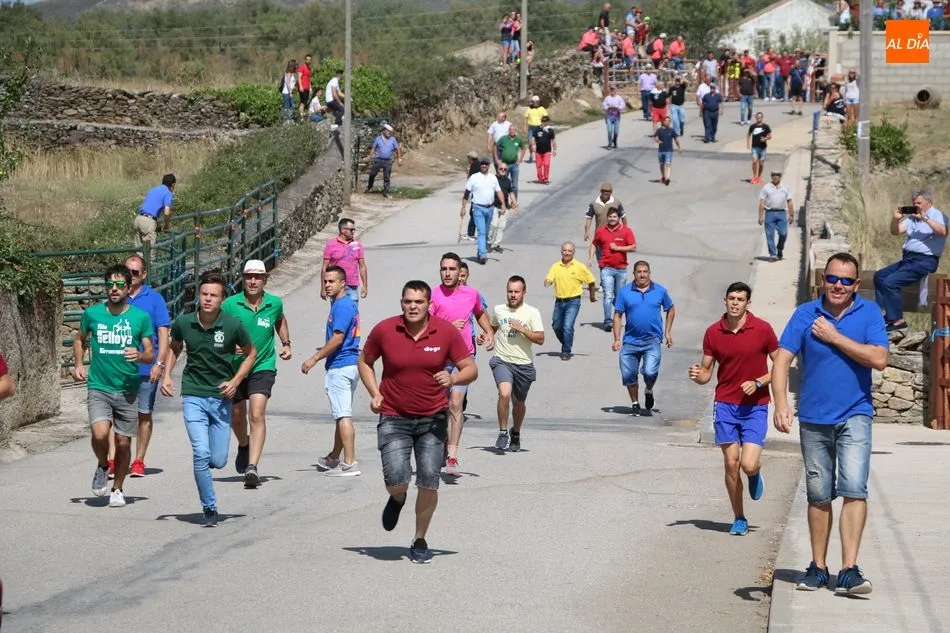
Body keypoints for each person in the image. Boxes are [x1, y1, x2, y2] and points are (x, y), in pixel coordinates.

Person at [771, 252, 889, 594]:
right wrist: (781, 404)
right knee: (819, 495)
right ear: (823, 279)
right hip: (813, 418)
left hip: (856, 414)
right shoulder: (805, 314)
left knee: (854, 488)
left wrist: (834, 336)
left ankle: (849, 570)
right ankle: (818, 567)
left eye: (846, 280)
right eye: (833, 278)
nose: (838, 285)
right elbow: (781, 361)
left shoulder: (869, 313)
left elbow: (880, 358)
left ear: (856, 284)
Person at [358, 280, 477, 564]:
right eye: (408, 301)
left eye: (419, 302)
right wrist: (375, 394)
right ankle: (397, 497)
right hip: (394, 417)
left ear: (428, 305)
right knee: (396, 481)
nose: (413, 306)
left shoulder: (445, 332)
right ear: (402, 303)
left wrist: (453, 377)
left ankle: (420, 538)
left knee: (428, 482)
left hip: (432, 420)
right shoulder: (385, 329)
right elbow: (365, 361)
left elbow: (471, 369)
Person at [161, 273, 256, 528]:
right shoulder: (184, 322)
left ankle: (232, 453)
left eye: (214, 295)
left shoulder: (232, 325)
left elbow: (251, 354)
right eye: (204, 294)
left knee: (218, 460)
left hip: (221, 398)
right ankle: (210, 507)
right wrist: (167, 375)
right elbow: (174, 347)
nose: (208, 299)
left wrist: (235, 381)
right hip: (193, 394)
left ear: (222, 299)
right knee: (201, 453)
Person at [689, 282, 778, 536]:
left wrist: (759, 382)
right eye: (731, 298)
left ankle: (754, 473)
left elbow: (781, 365)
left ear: (748, 303)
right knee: (731, 463)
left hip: (755, 406)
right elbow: (707, 372)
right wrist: (698, 375)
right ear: (725, 301)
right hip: (725, 404)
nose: (735, 303)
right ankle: (739, 517)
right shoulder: (713, 332)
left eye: (740, 299)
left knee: (747, 464)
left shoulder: (763, 329)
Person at [72, 264, 155, 508]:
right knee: (99, 434)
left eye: (119, 285)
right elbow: (80, 339)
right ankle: (102, 464)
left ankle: (118, 488)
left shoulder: (139, 317)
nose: (114, 289)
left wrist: (140, 356)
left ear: (129, 288)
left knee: (123, 442)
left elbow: (150, 353)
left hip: (128, 389)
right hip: (99, 386)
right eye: (110, 285)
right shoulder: (93, 314)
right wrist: (79, 364)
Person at [221, 260, 292, 488]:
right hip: (235, 369)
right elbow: (216, 331)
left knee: (257, 414)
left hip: (263, 365)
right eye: (249, 277)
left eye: (258, 277)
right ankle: (244, 445)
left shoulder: (274, 303)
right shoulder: (230, 304)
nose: (253, 281)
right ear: (243, 279)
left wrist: (286, 343)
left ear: (265, 279)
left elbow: (280, 320)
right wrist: (228, 345)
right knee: (237, 416)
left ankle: (252, 466)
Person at [429, 252, 495, 476]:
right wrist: (447, 325)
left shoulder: (471, 294)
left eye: (452, 269)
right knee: (439, 407)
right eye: (444, 269)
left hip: (463, 358)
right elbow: (423, 324)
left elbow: (480, 313)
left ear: (460, 273)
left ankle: (452, 455)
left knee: (456, 402)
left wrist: (489, 332)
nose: (447, 273)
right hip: (438, 358)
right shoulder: (433, 295)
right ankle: (440, 443)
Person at [302, 265, 362, 477]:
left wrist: (314, 358)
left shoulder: (342, 306)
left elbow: (337, 338)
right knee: (341, 414)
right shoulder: (344, 304)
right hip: (349, 364)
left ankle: (349, 463)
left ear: (343, 283)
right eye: (325, 281)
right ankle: (334, 457)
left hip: (341, 366)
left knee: (343, 415)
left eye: (331, 281)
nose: (327, 285)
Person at [120, 254, 171, 479]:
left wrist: (160, 363)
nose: (130, 276)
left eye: (135, 272)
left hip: (146, 368)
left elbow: (164, 333)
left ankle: (138, 460)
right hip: (119, 368)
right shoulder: (116, 295)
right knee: (117, 416)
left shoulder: (154, 299)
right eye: (127, 271)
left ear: (144, 275)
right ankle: (114, 460)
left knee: (143, 414)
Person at [874, 189, 947, 332]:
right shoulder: (912, 218)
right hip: (908, 259)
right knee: (880, 276)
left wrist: (925, 218)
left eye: (919, 203)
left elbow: (943, 231)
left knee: (890, 282)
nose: (915, 206)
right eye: (914, 203)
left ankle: (898, 321)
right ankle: (885, 317)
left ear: (929, 202)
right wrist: (896, 219)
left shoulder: (938, 215)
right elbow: (895, 231)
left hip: (925, 260)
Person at [611, 260, 675, 417]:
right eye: (639, 272)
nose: (642, 275)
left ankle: (649, 390)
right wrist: (617, 338)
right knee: (628, 375)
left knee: (650, 372)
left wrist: (667, 332)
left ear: (649, 273)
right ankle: (635, 403)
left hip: (652, 340)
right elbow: (618, 315)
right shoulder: (625, 292)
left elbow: (670, 309)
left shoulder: (660, 291)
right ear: (634, 274)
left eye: (645, 271)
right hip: (630, 341)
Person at [489, 276, 544, 452]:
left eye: (516, 292)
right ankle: (503, 432)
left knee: (519, 403)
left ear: (524, 293)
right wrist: (486, 336)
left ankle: (516, 432)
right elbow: (492, 327)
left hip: (523, 364)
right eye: (510, 291)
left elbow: (540, 339)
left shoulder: (532, 312)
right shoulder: (499, 310)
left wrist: (522, 329)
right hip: (502, 360)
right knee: (504, 394)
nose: (513, 295)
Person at [545, 241, 597, 360]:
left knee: (567, 326)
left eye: (569, 251)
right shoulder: (555, 266)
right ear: (561, 251)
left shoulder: (579, 266)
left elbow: (591, 281)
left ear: (573, 252)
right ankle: (566, 342)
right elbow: (549, 278)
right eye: (565, 250)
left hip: (573, 301)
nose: (567, 253)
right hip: (559, 301)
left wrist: (592, 296)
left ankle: (566, 351)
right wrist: (547, 282)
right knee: (556, 326)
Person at [590, 208, 637, 331]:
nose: (612, 219)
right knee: (608, 295)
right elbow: (594, 243)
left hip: (621, 269)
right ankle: (608, 321)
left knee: (619, 297)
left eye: (614, 217)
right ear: (607, 218)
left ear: (619, 218)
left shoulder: (626, 231)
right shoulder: (601, 231)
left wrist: (618, 248)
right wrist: (590, 258)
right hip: (606, 268)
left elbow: (633, 247)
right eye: (610, 217)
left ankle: (619, 318)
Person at [460, 158, 507, 265]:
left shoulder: (492, 178)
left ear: (489, 165)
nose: (484, 165)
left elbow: (499, 192)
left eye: (486, 164)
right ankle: (482, 255)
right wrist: (463, 207)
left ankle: (480, 251)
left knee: (485, 232)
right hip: (478, 208)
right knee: (481, 231)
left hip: (490, 208)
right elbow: (466, 193)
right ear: (480, 165)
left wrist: (503, 204)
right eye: (482, 164)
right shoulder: (474, 177)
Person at [321, 218, 367, 301]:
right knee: (338, 308)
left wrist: (365, 285)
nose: (353, 232)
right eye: (351, 230)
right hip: (336, 286)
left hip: (352, 286)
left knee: (352, 308)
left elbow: (362, 266)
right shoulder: (331, 244)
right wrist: (323, 288)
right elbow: (325, 267)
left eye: (354, 230)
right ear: (342, 230)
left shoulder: (357, 244)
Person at [583, 183, 628, 260]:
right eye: (604, 191)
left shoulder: (616, 202)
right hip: (600, 235)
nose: (606, 193)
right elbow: (589, 218)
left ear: (611, 192)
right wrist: (587, 231)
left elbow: (623, 216)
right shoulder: (594, 203)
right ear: (601, 191)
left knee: (613, 258)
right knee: (601, 260)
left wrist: (625, 230)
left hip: (614, 235)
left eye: (608, 191)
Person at [758, 171, 795, 262]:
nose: (775, 177)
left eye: (777, 175)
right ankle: (773, 254)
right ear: (771, 176)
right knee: (770, 235)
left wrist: (791, 215)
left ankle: (780, 248)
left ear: (780, 176)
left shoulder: (785, 187)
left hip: (781, 213)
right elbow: (762, 202)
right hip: (770, 213)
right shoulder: (766, 187)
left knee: (783, 233)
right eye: (773, 175)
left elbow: (789, 201)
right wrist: (760, 216)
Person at [134, 174, 175, 249]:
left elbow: (150, 208)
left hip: (138, 219)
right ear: (173, 185)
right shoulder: (168, 193)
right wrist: (166, 226)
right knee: (150, 252)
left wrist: (155, 224)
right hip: (148, 223)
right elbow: (166, 212)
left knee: (139, 251)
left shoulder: (153, 190)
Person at [365, 124, 403, 198]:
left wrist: (399, 158)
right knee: (372, 174)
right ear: (384, 131)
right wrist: (370, 156)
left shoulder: (392, 139)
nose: (389, 133)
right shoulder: (378, 139)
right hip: (378, 160)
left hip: (388, 161)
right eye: (388, 131)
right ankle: (369, 187)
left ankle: (386, 192)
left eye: (390, 132)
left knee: (387, 177)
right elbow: (374, 148)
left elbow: (398, 149)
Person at [488, 163, 518, 253]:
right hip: (494, 205)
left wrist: (515, 203)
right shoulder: (493, 179)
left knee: (501, 227)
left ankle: (496, 244)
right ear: (497, 169)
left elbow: (511, 192)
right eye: (501, 169)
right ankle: (489, 243)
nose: (503, 170)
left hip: (505, 207)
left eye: (505, 169)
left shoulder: (508, 181)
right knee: (493, 225)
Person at [495, 126, 528, 195]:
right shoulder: (503, 138)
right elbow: (495, 146)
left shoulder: (518, 139)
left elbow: (523, 148)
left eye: (513, 129)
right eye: (510, 129)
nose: (512, 131)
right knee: (502, 183)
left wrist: (520, 159)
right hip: (504, 165)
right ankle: (504, 200)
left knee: (514, 185)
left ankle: (514, 201)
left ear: (515, 131)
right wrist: (497, 159)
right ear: (509, 131)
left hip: (514, 165)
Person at [653, 115, 681, 186]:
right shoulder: (659, 130)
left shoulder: (671, 130)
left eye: (669, 121)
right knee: (662, 164)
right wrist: (658, 141)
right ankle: (663, 176)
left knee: (668, 164)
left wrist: (679, 147)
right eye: (666, 121)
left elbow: (676, 139)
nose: (667, 122)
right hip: (661, 150)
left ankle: (668, 178)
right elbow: (656, 137)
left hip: (669, 150)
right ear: (663, 122)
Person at [530, 115, 556, 184]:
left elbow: (553, 140)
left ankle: (545, 178)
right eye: (542, 121)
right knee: (538, 165)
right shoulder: (537, 129)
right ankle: (540, 179)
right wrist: (533, 145)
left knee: (546, 164)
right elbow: (533, 138)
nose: (543, 122)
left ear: (548, 122)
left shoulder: (550, 130)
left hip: (547, 150)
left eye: (545, 121)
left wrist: (554, 150)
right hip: (538, 151)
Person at [747, 112, 772, 185]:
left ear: (762, 117)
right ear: (756, 118)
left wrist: (765, 138)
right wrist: (748, 143)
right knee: (754, 161)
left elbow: (770, 136)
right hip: (754, 147)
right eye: (757, 117)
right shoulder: (752, 126)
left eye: (760, 117)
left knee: (761, 163)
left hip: (763, 148)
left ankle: (759, 177)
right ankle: (754, 177)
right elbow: (748, 134)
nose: (759, 118)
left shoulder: (766, 126)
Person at [523, 95, 548, 163]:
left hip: (539, 128)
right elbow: (525, 118)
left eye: (538, 102)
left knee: (540, 143)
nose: (536, 103)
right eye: (535, 102)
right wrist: (525, 127)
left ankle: (539, 156)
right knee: (530, 143)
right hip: (531, 128)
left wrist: (544, 125)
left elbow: (546, 117)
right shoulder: (529, 109)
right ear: (532, 102)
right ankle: (531, 155)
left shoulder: (542, 108)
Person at [602, 84, 625, 149]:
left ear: (616, 90)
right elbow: (604, 105)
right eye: (611, 89)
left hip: (616, 117)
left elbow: (623, 105)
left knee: (616, 132)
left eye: (613, 89)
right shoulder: (607, 98)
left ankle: (614, 140)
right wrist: (608, 107)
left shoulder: (619, 98)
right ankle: (609, 144)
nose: (612, 90)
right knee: (609, 131)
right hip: (609, 116)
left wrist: (616, 106)